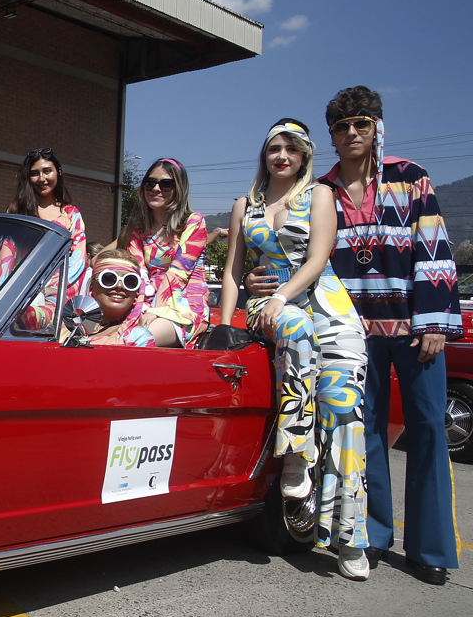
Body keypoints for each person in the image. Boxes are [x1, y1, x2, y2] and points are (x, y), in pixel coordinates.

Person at [249, 87, 463, 585]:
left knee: (428, 429)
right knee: (364, 434)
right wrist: (265, 278)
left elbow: (434, 245)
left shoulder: (410, 179)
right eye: (342, 127)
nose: (351, 134)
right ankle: (374, 533)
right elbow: (300, 255)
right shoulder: (319, 189)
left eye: (360, 125)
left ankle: (430, 549)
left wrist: (434, 320)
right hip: (351, 328)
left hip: (413, 329)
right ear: (331, 137)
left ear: (377, 128)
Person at [221, 119, 370, 580]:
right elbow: (232, 270)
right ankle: (295, 457)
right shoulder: (245, 205)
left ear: (305, 155)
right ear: (263, 155)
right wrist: (226, 324)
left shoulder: (320, 196)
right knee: (298, 334)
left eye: (291, 148)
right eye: (273, 148)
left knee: (346, 416)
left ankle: (351, 539)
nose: (281, 156)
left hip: (329, 307)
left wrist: (287, 293)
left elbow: (319, 257)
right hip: (273, 307)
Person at [120, 158, 210, 348]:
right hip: (145, 304)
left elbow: (178, 273)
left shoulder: (193, 222)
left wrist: (156, 311)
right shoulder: (138, 229)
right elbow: (138, 274)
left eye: (166, 184)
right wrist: (141, 308)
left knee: (136, 340)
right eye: (150, 183)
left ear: (179, 189)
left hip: (183, 307)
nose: (156, 188)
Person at [0, 147, 86, 306]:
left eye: (47, 171)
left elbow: (78, 261)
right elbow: (6, 255)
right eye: (35, 173)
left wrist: (56, 289)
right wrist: (0, 291)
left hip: (57, 295)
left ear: (58, 171)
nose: (42, 178)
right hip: (20, 290)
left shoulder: (71, 215)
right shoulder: (17, 210)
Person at [77, 249, 156, 347]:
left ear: (136, 294)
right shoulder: (66, 327)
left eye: (130, 281)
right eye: (109, 278)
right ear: (92, 286)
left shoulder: (138, 338)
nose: (119, 285)